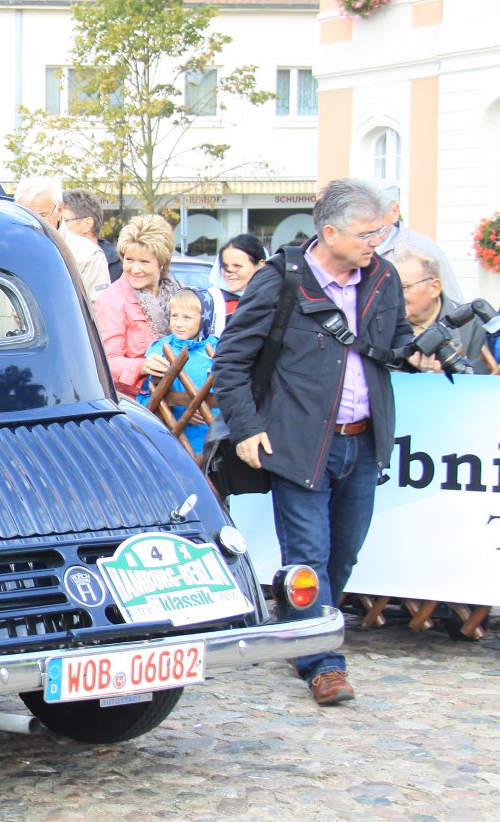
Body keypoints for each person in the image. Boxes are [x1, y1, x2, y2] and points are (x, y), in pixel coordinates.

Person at [215, 178, 421, 707]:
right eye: (367, 233)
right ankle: (323, 665)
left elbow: (396, 341)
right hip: (299, 442)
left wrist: (418, 351)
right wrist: (246, 428)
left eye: (381, 232)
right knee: (308, 555)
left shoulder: (383, 277)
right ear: (330, 233)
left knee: (343, 556)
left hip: (363, 442)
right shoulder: (280, 280)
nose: (376, 242)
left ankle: (301, 630)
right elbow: (231, 361)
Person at [93, 214, 179, 396]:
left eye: (144, 262)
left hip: (178, 397)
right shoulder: (112, 301)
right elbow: (104, 361)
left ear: (162, 263)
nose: (135, 269)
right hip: (136, 402)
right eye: (129, 260)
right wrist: (142, 366)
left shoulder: (179, 294)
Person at [138, 287, 219, 454]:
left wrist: (207, 410)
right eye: (174, 316)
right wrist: (181, 412)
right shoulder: (160, 350)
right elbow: (147, 394)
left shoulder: (218, 349)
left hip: (208, 433)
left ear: (204, 319)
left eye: (187, 317)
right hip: (170, 434)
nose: (178, 323)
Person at [393, 246, 489, 373]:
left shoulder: (472, 325)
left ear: (434, 288)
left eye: (403, 287)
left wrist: (444, 377)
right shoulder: (383, 324)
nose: (394, 295)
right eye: (390, 288)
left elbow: (481, 380)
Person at [15, 176, 109, 298]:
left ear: (59, 210)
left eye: (42, 216)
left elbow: (98, 306)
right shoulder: (6, 248)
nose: (33, 222)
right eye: (26, 215)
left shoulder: (88, 256)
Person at [376, 192, 465, 304]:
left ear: (394, 212)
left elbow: (453, 303)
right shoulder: (357, 247)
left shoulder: (423, 249)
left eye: (375, 214)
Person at [61, 189, 121, 283]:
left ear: (87, 224)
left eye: (64, 221)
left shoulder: (121, 268)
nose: (58, 227)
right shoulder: (58, 259)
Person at [216, 234, 266, 321]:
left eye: (237, 266)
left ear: (260, 265)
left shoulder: (278, 302)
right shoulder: (211, 303)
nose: (228, 273)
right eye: (225, 266)